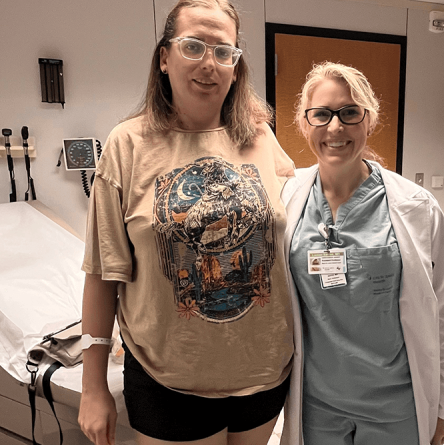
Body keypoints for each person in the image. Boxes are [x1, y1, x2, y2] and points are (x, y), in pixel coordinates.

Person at [78, 1, 296, 444]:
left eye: (223, 52)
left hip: (265, 371)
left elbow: (292, 237)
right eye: (192, 46)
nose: (208, 64)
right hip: (169, 379)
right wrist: (92, 386)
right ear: (164, 57)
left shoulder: (260, 138)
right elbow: (103, 275)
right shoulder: (127, 145)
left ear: (236, 67)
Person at [280, 62, 444, 445]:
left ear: (369, 120)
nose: (335, 128)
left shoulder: (418, 206)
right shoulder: (284, 195)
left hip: (395, 404)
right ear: (304, 123)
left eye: (350, 113)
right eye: (322, 114)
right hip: (315, 403)